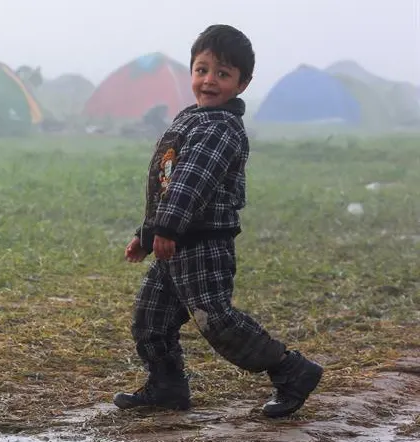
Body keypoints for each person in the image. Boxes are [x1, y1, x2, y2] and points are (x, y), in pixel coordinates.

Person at [114, 24, 323, 418]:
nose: (209, 80)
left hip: (203, 246)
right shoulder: (191, 119)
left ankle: (292, 370)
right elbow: (166, 183)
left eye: (223, 74)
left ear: (242, 84)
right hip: (173, 242)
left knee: (218, 322)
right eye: (202, 69)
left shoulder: (220, 129)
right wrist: (146, 234)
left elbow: (192, 184)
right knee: (150, 319)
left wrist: (167, 228)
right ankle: (166, 385)